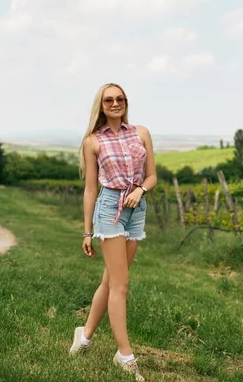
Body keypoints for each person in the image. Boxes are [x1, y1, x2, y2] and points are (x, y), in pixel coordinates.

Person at [69, 82, 157, 381]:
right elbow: (90, 188)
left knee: (111, 281)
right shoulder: (93, 141)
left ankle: (84, 336)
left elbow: (153, 176)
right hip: (109, 209)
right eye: (109, 100)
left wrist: (141, 190)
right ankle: (125, 355)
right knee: (121, 285)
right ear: (101, 105)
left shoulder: (141, 133)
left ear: (125, 102)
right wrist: (86, 232)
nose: (115, 103)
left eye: (120, 99)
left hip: (136, 209)